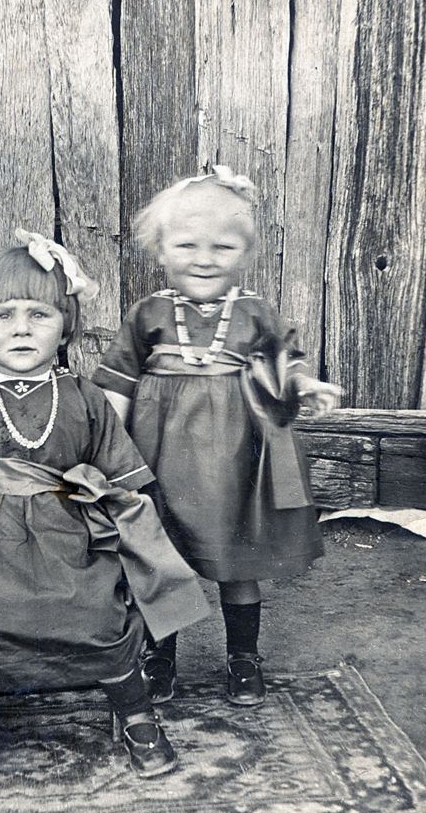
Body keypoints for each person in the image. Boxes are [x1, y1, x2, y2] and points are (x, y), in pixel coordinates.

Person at [0, 231, 210, 777]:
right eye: (3, 315)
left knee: (97, 616)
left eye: (39, 314)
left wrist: (140, 554)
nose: (21, 328)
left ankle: (134, 712)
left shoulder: (84, 397)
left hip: (69, 536)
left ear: (66, 324)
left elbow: (127, 481)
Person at [92, 168, 341, 707]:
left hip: (235, 464)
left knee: (238, 559)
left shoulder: (254, 313)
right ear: (160, 251)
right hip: (158, 459)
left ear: (245, 253)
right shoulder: (149, 314)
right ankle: (160, 657)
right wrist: (105, 447)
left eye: (222, 247)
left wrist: (305, 386)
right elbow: (117, 383)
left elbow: (283, 369)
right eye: (187, 245)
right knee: (161, 561)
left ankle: (243, 656)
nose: (204, 258)